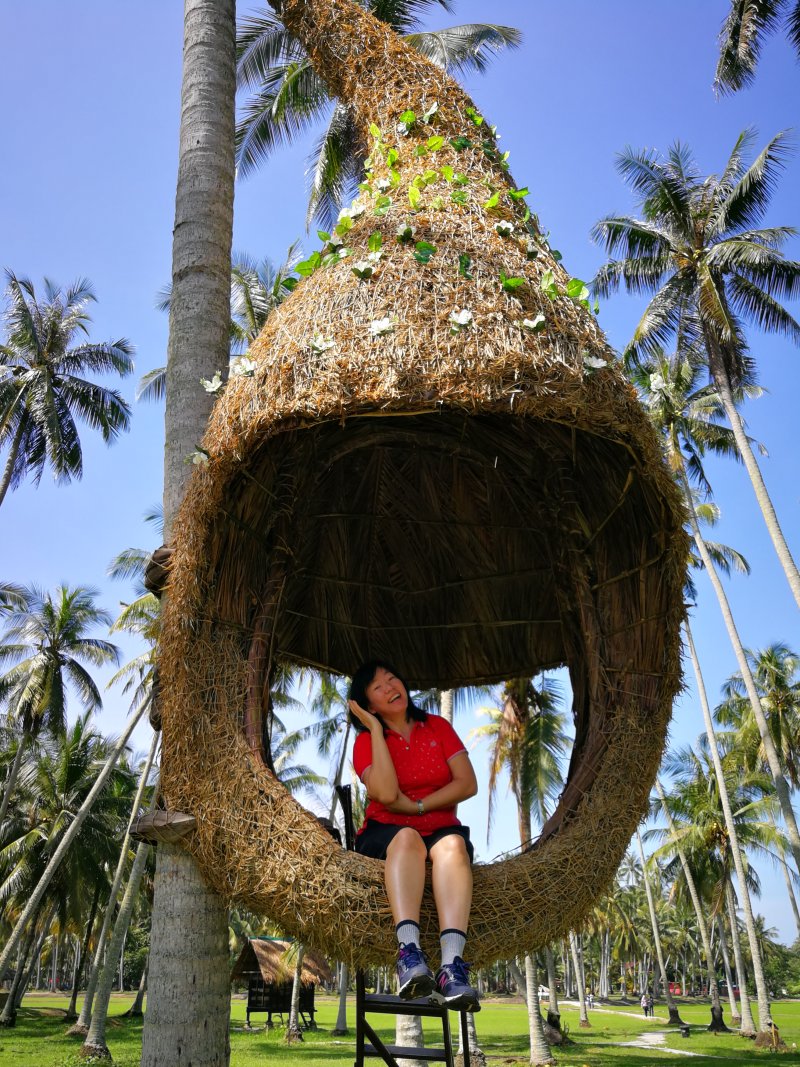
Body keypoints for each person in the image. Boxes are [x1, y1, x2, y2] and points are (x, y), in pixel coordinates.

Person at [348, 660, 479, 1011]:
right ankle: (409, 955)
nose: (391, 686)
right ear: (368, 705)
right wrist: (375, 729)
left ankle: (452, 967)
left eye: (393, 678)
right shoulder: (365, 742)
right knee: (407, 838)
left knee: (453, 845)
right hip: (386, 834)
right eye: (378, 687)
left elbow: (468, 783)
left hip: (438, 829)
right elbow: (388, 795)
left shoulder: (436, 726)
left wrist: (419, 806)